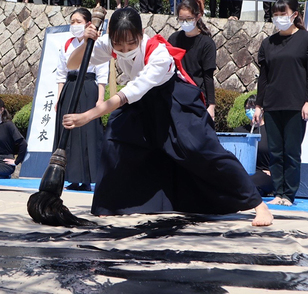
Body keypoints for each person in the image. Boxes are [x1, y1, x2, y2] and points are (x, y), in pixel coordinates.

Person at [64, 7, 273, 226]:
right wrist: (86, 43)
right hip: (142, 104)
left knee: (199, 148)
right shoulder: (110, 41)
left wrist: (88, 115)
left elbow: (129, 93)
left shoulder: (158, 53)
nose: (124, 49)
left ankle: (259, 205)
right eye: (119, 45)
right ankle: (109, 205)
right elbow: (73, 63)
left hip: (173, 99)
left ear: (141, 33)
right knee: (115, 141)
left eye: (131, 44)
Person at [253, 0, 308, 206]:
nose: (279, 17)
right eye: (275, 14)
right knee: (275, 151)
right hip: (272, 104)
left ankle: (289, 194)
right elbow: (264, 78)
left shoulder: (307, 39)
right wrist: (259, 105)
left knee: (292, 151)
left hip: (296, 105)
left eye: (283, 13)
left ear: (294, 14)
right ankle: (278, 192)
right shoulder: (268, 43)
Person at [54, 8, 109, 191]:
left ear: (87, 24)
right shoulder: (66, 44)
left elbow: (102, 73)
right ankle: (69, 176)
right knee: (68, 134)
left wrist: (100, 99)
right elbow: (61, 74)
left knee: (86, 133)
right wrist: (59, 98)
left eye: (78, 21)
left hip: (87, 88)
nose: (74, 25)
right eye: (72, 22)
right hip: (69, 88)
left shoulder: (97, 43)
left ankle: (87, 178)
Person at [168, 0, 216, 120]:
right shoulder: (174, 39)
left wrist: (211, 105)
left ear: (198, 16)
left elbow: (208, 76)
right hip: (176, 96)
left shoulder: (207, 43)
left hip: (197, 98)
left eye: (188, 19)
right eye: (181, 19)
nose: (184, 23)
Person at [234, 96, 272, 197]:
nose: (250, 110)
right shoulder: (239, 131)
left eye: (253, 107)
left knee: (249, 183)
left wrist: (272, 171)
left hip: (264, 173)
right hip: (243, 172)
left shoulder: (271, 131)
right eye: (247, 108)